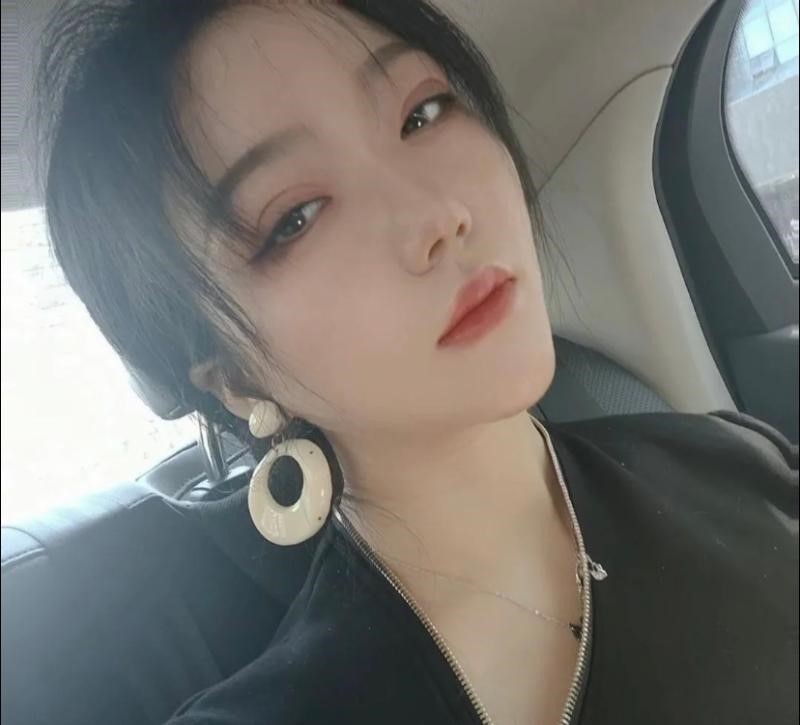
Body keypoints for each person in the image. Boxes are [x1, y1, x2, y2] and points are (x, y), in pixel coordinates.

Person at [36, 1, 797, 723]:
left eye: (421, 114)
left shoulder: (743, 465)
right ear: (234, 376)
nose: (438, 216)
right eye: (295, 218)